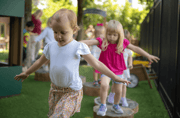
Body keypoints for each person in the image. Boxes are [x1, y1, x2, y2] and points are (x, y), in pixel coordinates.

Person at [14, 9, 130, 118]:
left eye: (63, 32)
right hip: (55, 90)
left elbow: (97, 64)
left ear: (74, 30)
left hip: (72, 92)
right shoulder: (50, 46)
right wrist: (27, 72)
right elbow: (40, 61)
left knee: (59, 116)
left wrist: (114, 77)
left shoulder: (78, 47)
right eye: (55, 32)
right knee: (53, 114)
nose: (58, 36)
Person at [80, 20, 160, 116]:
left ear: (120, 35)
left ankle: (116, 105)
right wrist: (73, 43)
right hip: (106, 69)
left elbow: (135, 48)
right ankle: (103, 105)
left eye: (115, 35)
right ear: (106, 33)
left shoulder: (123, 42)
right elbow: (88, 42)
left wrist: (148, 55)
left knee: (119, 90)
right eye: (109, 34)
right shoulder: (103, 41)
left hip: (118, 70)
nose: (112, 37)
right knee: (104, 85)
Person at [107, 29, 133, 107]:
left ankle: (123, 98)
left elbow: (130, 57)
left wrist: (130, 64)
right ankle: (112, 94)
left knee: (124, 85)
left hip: (125, 70)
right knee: (115, 84)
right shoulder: (116, 47)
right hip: (117, 69)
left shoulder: (128, 50)